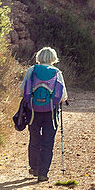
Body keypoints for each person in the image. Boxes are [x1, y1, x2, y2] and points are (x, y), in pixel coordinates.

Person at [20, 46, 67, 182]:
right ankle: (43, 173)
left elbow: (23, 90)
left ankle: (34, 167)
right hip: (51, 112)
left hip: (33, 111)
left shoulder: (32, 70)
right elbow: (63, 95)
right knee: (48, 142)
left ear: (39, 57)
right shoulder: (57, 72)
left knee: (34, 138)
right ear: (53, 58)